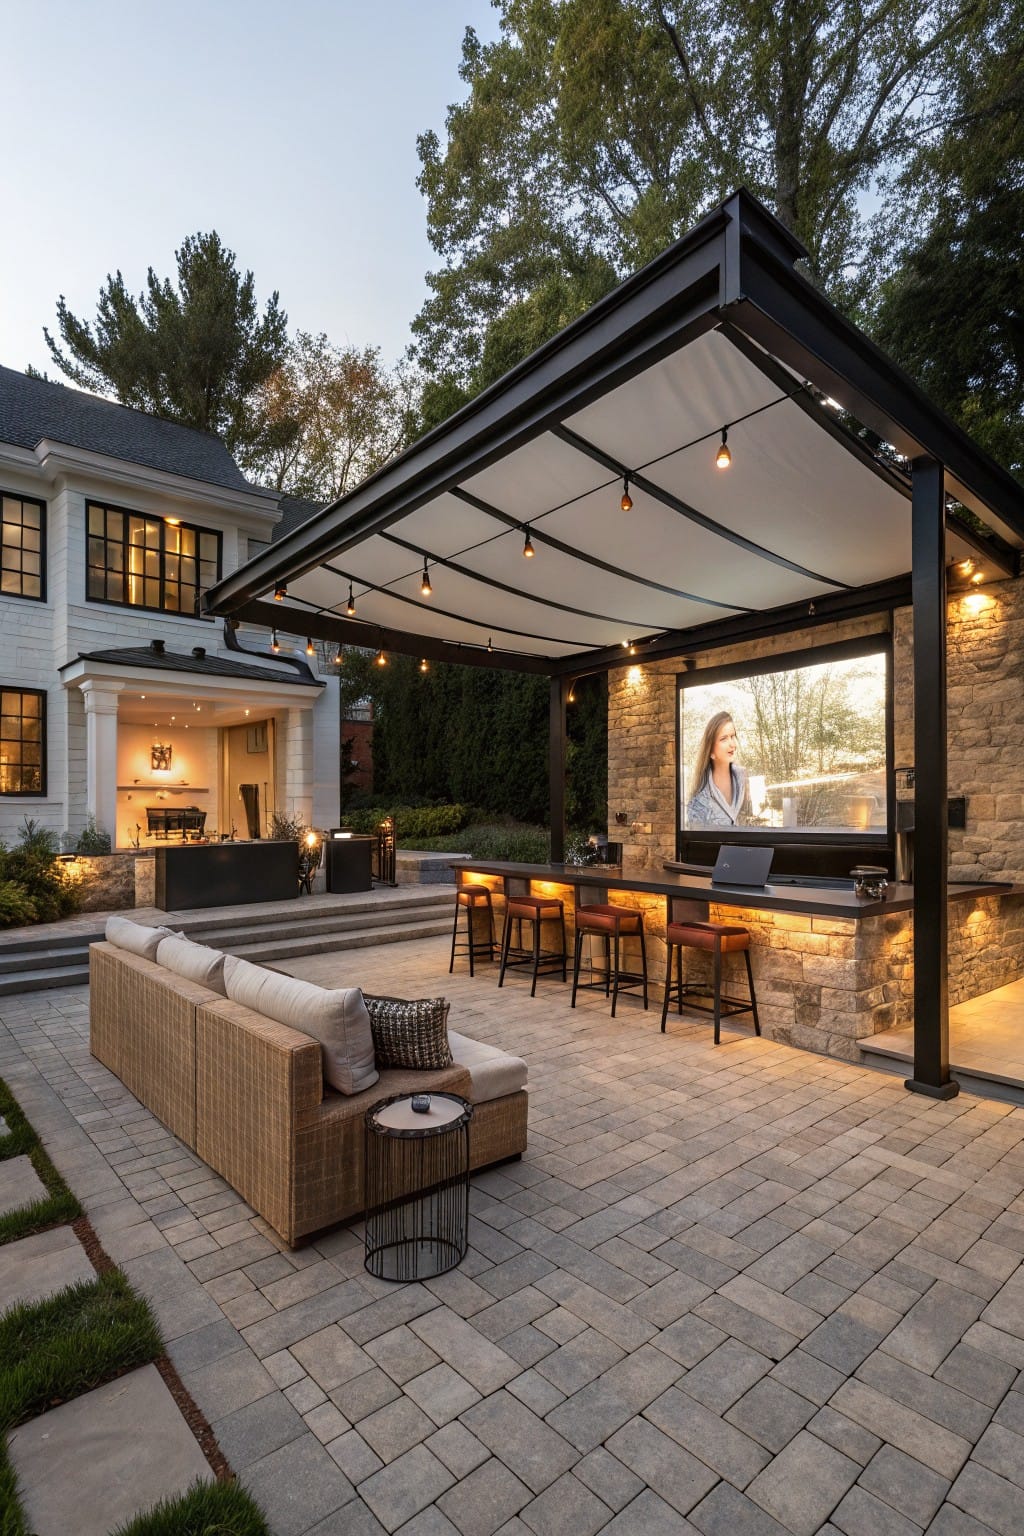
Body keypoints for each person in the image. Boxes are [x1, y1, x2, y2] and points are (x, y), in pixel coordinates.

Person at [686, 711, 749, 827]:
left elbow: (752, 822)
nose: (732, 744)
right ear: (710, 751)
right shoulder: (699, 804)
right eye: (724, 739)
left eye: (733, 736)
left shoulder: (743, 780)